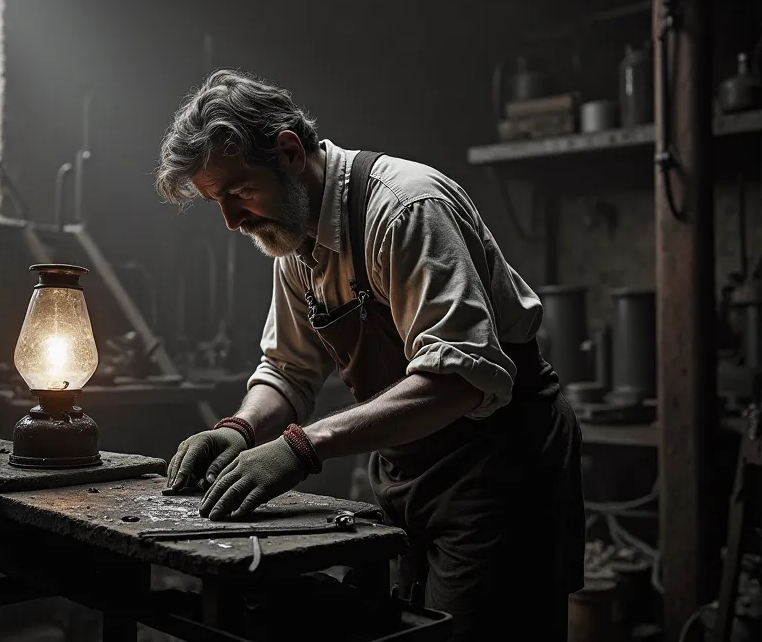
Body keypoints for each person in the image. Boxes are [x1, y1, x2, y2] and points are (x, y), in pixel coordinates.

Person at [153, 68, 585, 640]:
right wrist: (238, 430)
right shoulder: (293, 242)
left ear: (287, 152)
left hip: (498, 467)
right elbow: (288, 368)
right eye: (218, 202)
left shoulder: (405, 209)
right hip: (407, 473)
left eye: (237, 192)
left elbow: (457, 380)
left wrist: (301, 448)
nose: (231, 220)